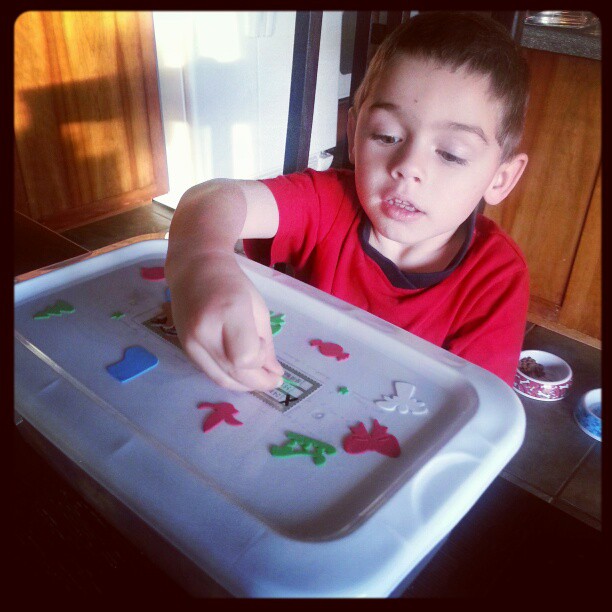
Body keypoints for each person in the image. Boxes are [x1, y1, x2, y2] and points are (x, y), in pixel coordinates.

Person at [165, 11, 530, 393]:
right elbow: (213, 198)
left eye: (452, 154)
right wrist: (201, 262)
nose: (408, 167)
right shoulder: (329, 203)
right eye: (387, 136)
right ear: (354, 135)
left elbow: (478, 413)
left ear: (501, 177)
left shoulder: (497, 278)